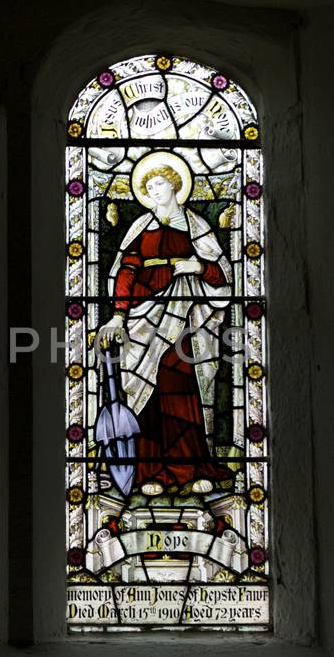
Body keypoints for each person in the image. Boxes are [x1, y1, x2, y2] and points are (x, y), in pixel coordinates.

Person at [96, 157, 234, 496]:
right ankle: (150, 471)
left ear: (174, 185)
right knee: (146, 394)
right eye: (148, 187)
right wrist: (118, 315)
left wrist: (198, 267)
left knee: (181, 386)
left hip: (184, 316)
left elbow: (222, 277)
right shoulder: (140, 227)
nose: (153, 191)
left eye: (158, 184)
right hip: (144, 314)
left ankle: (189, 467)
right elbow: (126, 272)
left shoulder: (196, 226)